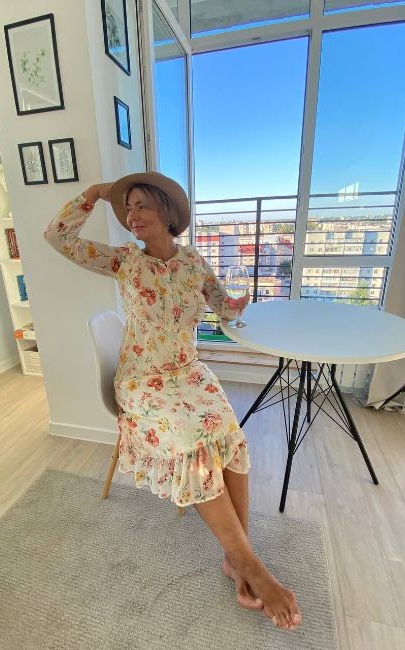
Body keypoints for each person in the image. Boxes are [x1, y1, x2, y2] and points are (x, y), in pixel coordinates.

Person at [43, 172, 302, 630]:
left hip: (188, 373)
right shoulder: (124, 261)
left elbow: (223, 307)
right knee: (192, 444)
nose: (131, 215)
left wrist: (240, 302)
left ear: (167, 212)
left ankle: (236, 559)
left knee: (229, 434)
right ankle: (252, 566)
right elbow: (57, 237)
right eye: (128, 208)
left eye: (141, 205)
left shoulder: (194, 262)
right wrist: (96, 194)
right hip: (142, 380)